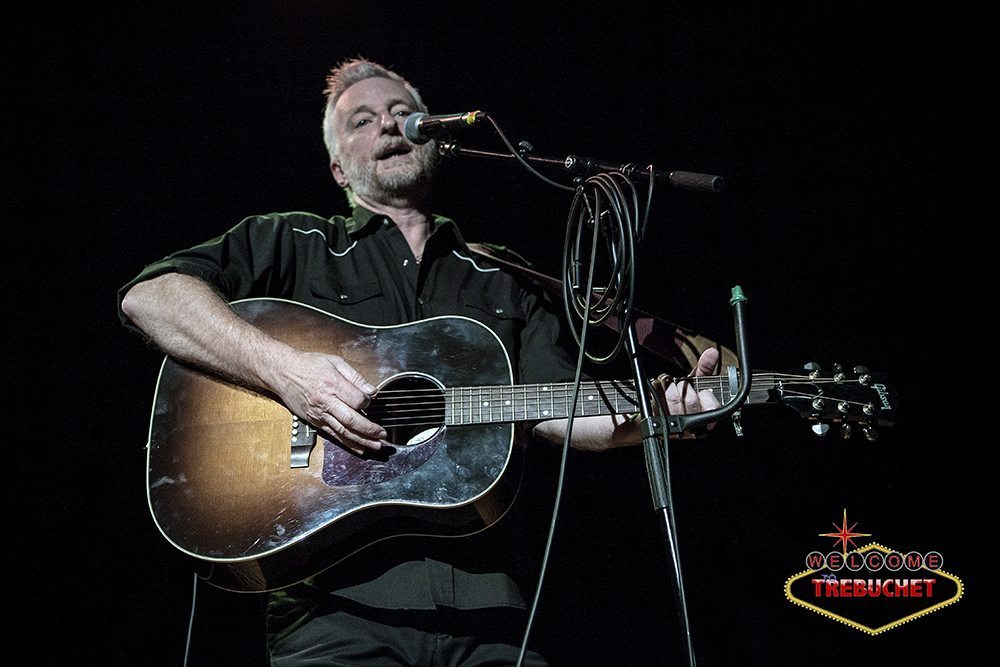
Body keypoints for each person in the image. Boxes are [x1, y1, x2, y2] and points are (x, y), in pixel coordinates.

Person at [118, 57, 721, 666]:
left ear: (436, 141)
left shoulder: (503, 273)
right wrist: (286, 370)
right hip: (333, 613)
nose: (389, 125)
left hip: (493, 614)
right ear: (338, 168)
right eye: (363, 120)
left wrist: (661, 413)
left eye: (403, 113)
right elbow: (152, 297)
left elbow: (557, 407)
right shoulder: (293, 241)